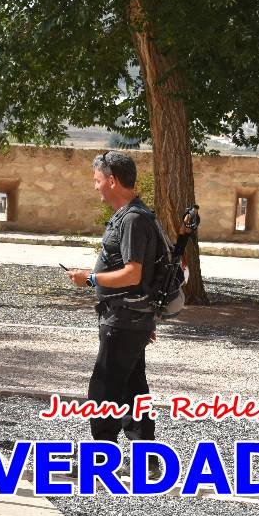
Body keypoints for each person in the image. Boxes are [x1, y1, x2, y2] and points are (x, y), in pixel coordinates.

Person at [66, 151, 160, 454]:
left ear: (113, 180)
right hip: (131, 319)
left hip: (123, 319)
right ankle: (148, 458)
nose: (95, 187)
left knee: (104, 389)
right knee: (133, 389)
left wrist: (90, 279)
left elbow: (133, 273)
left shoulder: (133, 218)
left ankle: (100, 458)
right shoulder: (134, 215)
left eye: (98, 180)